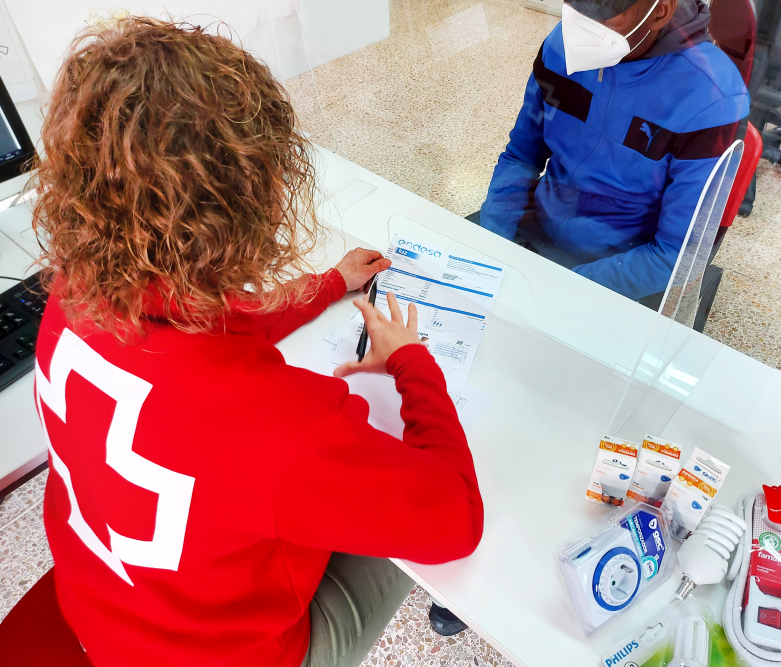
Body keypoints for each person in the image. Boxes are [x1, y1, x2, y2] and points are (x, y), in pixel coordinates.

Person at [31, 17, 483, 667]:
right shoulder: (281, 426)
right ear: (255, 203)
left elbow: (193, 317)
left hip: (106, 618)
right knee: (446, 501)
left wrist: (327, 284)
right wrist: (414, 364)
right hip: (236, 655)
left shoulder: (72, 289)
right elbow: (455, 520)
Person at [479, 0, 750, 304]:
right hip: (536, 228)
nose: (580, 24)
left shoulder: (712, 98)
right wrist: (492, 241)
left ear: (659, 11)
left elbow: (678, 255)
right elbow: (520, 157)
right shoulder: (561, 46)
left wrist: (562, 290)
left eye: (602, 12)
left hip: (622, 270)